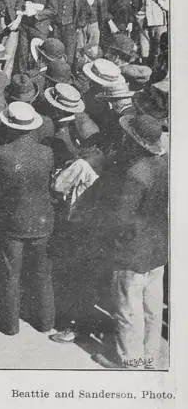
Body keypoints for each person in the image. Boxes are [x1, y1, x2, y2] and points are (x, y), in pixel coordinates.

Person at [90, 114, 168, 369]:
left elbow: (122, 218)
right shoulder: (165, 165)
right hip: (158, 247)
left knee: (128, 309)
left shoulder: (135, 174)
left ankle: (129, 360)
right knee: (153, 306)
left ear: (134, 142)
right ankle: (150, 356)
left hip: (132, 251)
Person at [0, 101, 56, 336]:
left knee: (11, 273)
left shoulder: (1, 153)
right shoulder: (46, 152)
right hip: (41, 220)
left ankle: (10, 325)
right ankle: (46, 321)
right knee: (42, 272)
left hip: (13, 222)